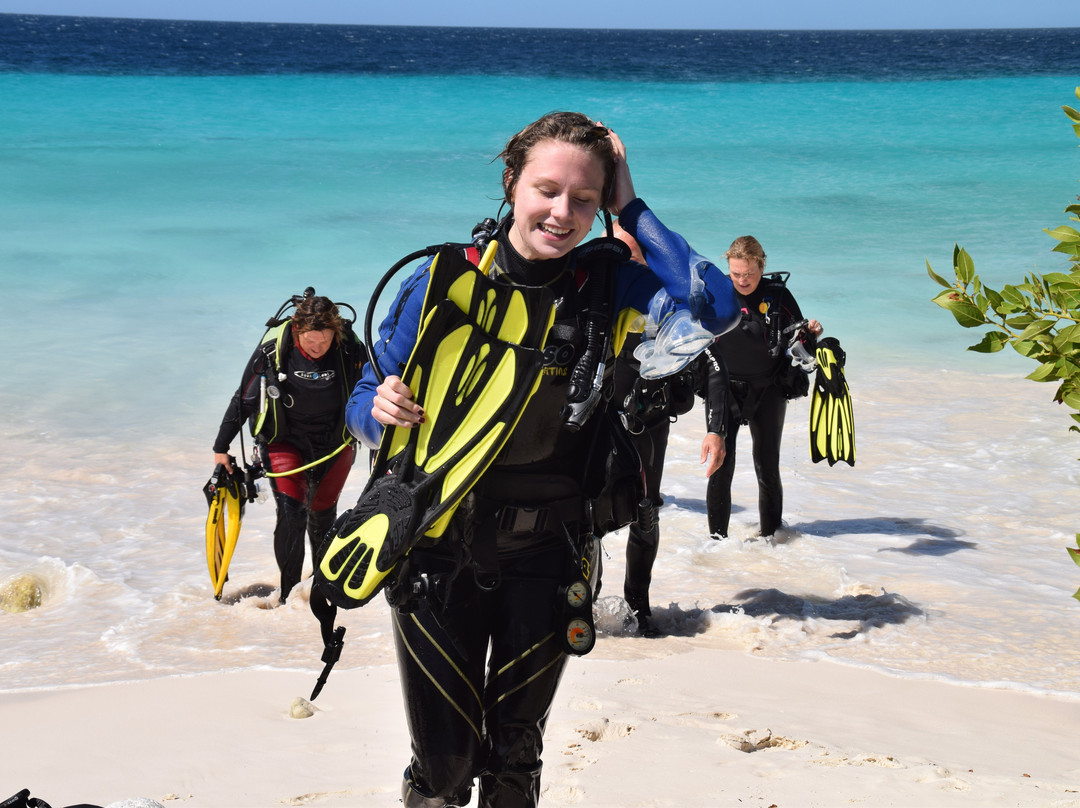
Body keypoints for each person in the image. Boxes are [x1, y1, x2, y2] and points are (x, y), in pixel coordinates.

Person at [345, 112, 740, 808]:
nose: (562, 213)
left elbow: (714, 309)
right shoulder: (436, 282)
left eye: (584, 199)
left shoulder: (609, 290)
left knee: (513, 768)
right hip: (432, 548)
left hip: (549, 553)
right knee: (442, 769)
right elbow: (363, 400)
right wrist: (375, 409)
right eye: (547, 189)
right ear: (511, 182)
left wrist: (632, 208)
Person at [212, 293, 364, 604]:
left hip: (335, 443)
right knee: (292, 514)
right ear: (297, 331)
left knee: (323, 516)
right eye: (311, 341)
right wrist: (220, 447)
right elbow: (244, 399)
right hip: (285, 441)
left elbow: (376, 388)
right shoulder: (273, 350)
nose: (318, 347)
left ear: (335, 332)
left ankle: (319, 592)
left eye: (324, 340)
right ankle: (289, 595)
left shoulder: (349, 349)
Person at [614, 331, 729, 637]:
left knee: (645, 510)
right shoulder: (607, 292)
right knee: (581, 506)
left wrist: (715, 430)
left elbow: (714, 367)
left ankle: (638, 610)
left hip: (649, 419)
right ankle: (577, 600)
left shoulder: (674, 306)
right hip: (598, 415)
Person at [706, 236, 822, 539]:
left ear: (762, 266)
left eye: (750, 274)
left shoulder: (779, 295)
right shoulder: (718, 292)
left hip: (768, 389)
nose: (743, 281)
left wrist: (812, 334)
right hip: (724, 389)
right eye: (736, 274)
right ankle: (716, 543)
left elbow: (802, 344)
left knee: (767, 466)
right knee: (720, 465)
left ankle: (771, 540)